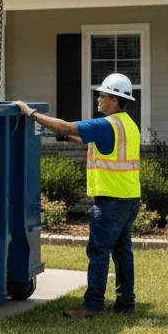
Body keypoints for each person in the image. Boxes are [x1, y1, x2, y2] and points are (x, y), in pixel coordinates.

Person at [15, 73, 140, 319]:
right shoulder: (128, 125)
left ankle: (93, 306)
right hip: (129, 198)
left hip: (111, 201)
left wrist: (31, 114)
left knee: (98, 252)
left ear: (114, 100)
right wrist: (64, 136)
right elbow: (87, 141)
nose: (98, 99)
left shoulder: (106, 124)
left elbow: (67, 126)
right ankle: (126, 303)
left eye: (102, 95)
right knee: (122, 252)